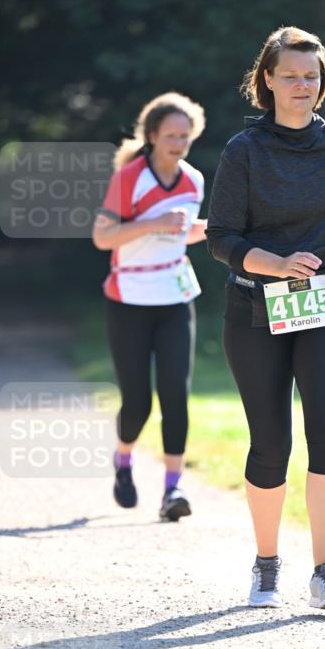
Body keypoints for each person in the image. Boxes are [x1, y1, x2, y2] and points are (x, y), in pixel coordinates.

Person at [206, 26, 325, 609]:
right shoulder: (244, 150)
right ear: (268, 80)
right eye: (290, 75)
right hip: (254, 308)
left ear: (322, 81)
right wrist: (278, 264)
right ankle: (266, 567)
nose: (301, 85)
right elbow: (222, 237)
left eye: (311, 76)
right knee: (270, 442)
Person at [92, 92, 207, 521]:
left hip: (175, 296)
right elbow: (103, 237)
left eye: (185, 136)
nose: (178, 143)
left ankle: (173, 489)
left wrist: (217, 230)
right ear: (153, 136)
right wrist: (154, 223)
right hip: (130, 299)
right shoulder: (130, 178)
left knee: (176, 395)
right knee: (138, 402)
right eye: (171, 136)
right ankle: (123, 459)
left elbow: (183, 232)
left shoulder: (194, 180)